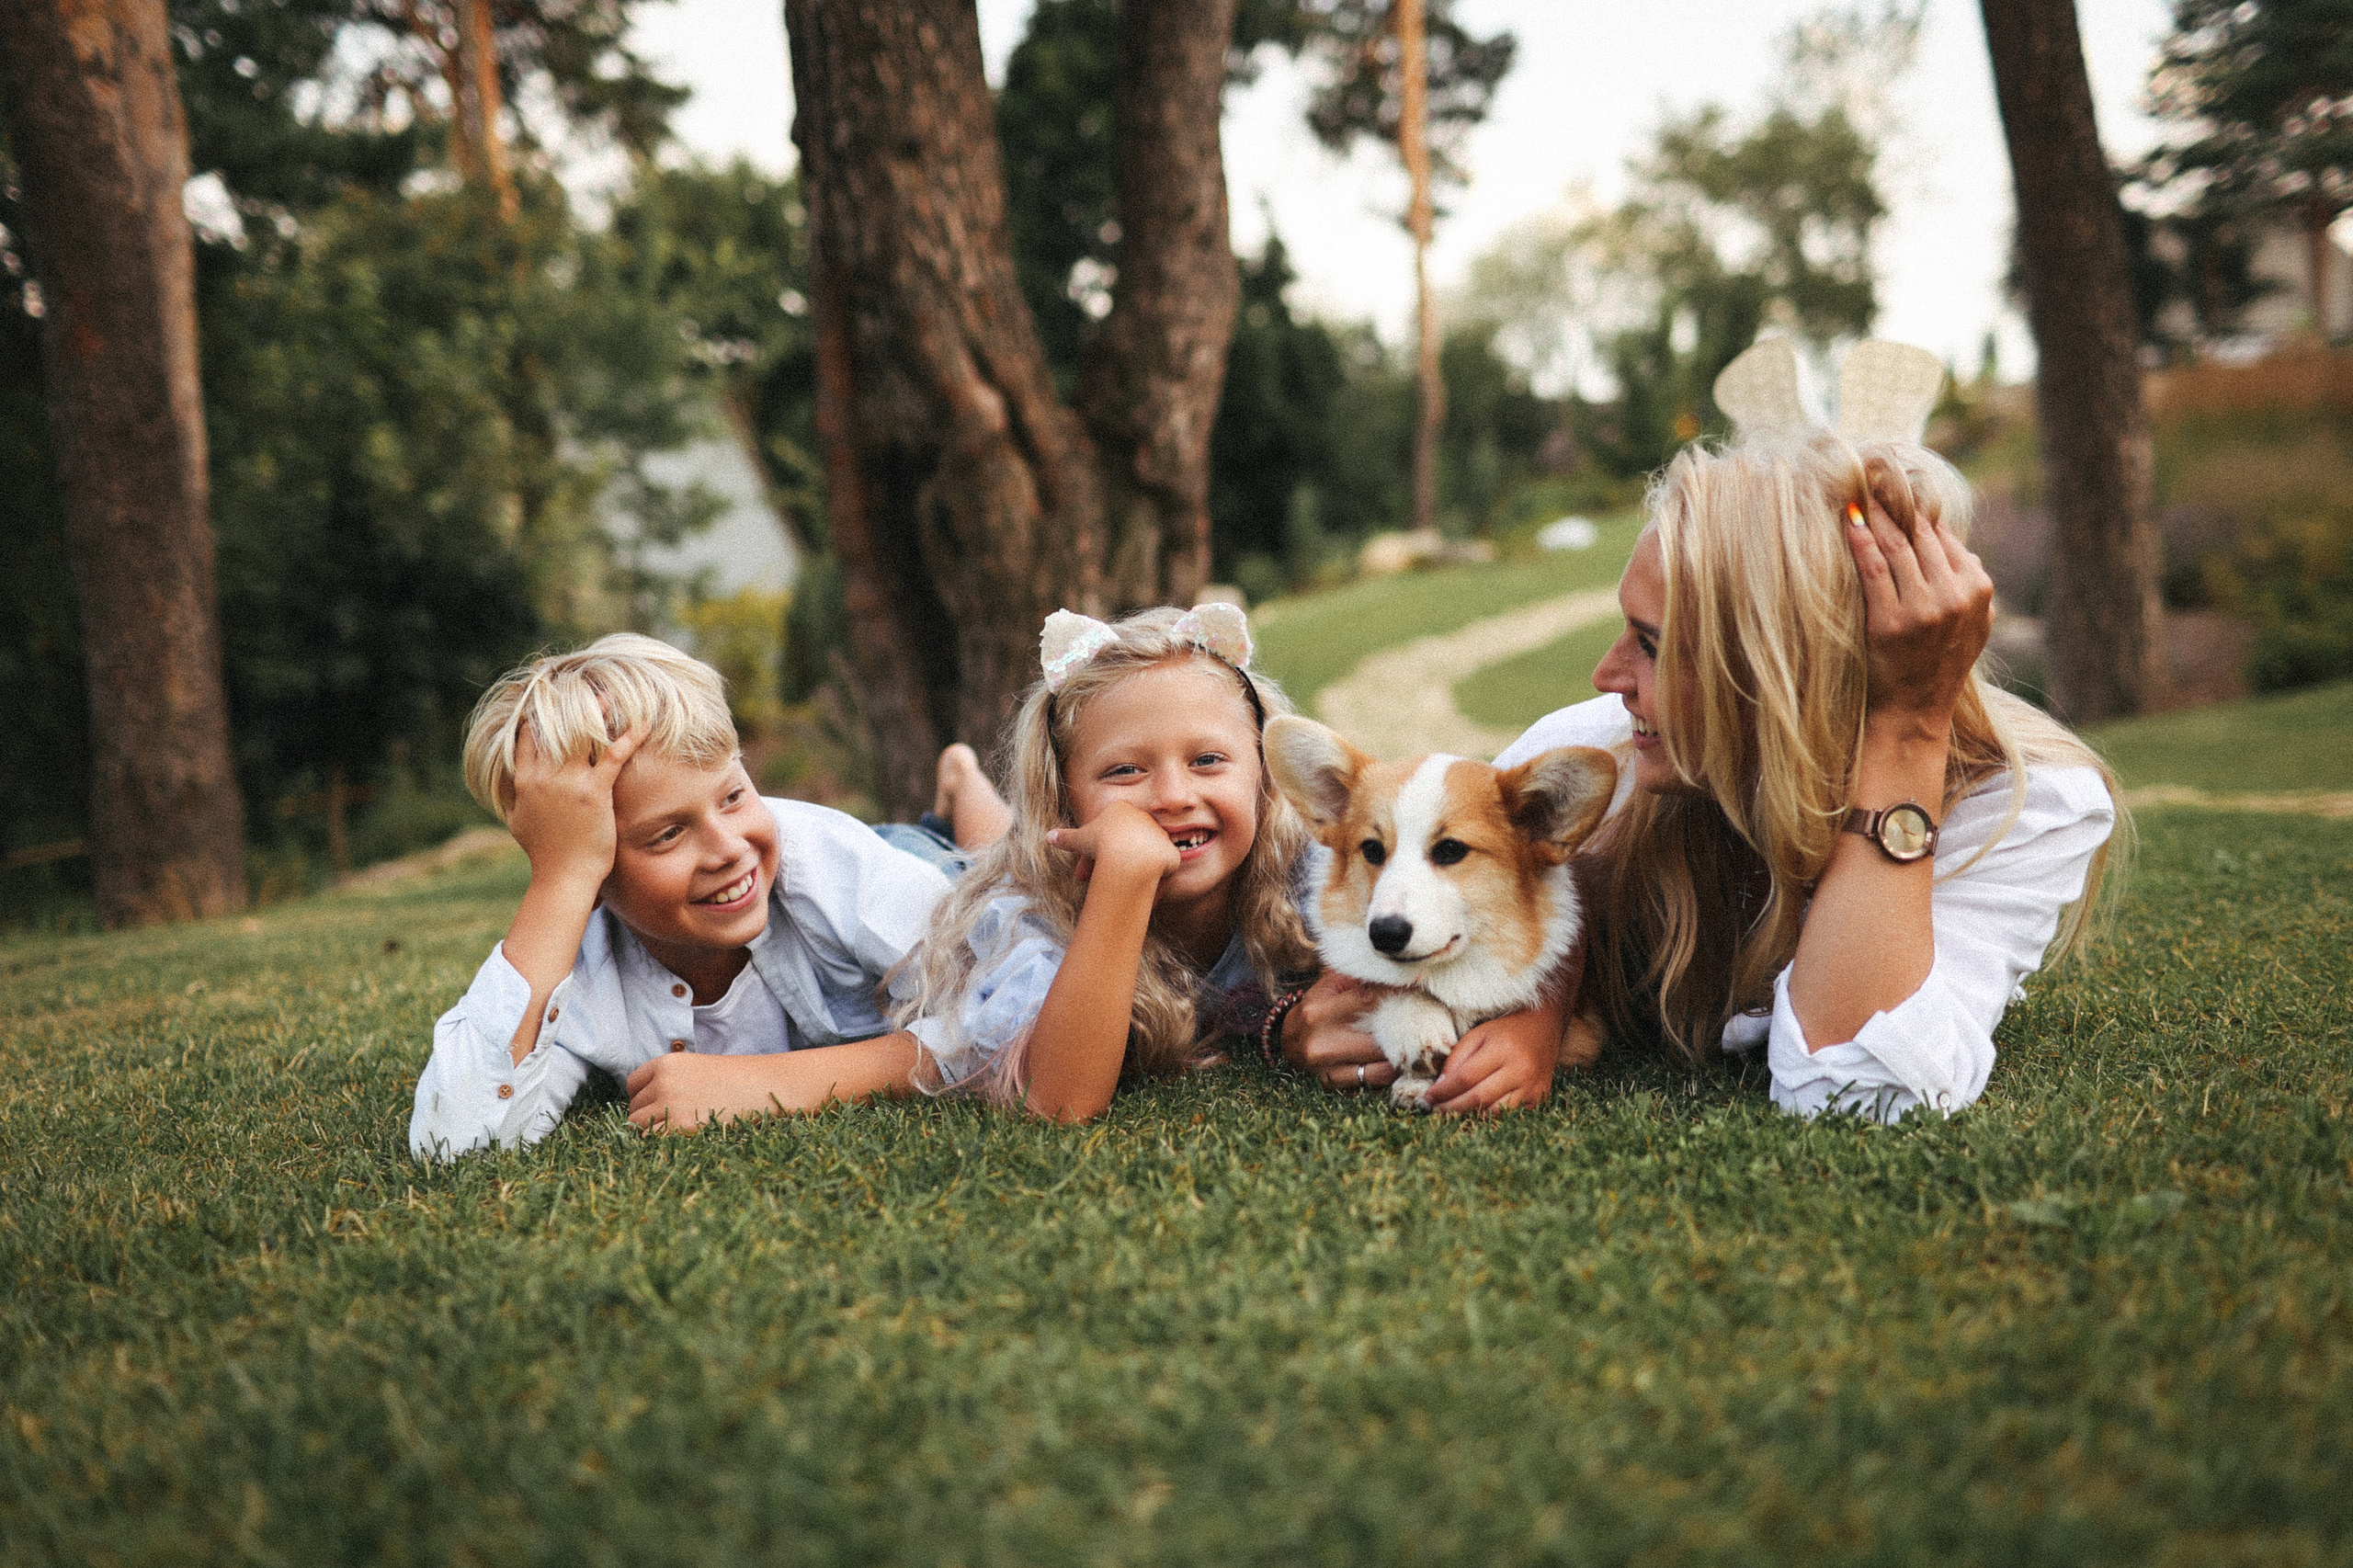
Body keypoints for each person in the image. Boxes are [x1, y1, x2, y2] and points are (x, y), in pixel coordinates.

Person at [1279, 430, 2121, 1122]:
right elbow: (1408, 935)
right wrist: (1299, 1022)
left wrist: (1903, 730)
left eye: (1649, 643)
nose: (1607, 676)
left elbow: (1856, 1094)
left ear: (1778, 672)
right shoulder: (1597, 750)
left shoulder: (2030, 811)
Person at [407, 633, 956, 1159]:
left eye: (734, 795)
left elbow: (1004, 1012)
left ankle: (961, 783)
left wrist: (767, 1084)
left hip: (915, 860)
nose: (728, 848)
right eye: (667, 834)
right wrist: (559, 881)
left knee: (981, 854)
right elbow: (456, 1144)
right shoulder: (575, 962)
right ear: (592, 875)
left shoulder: (836, 867)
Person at [894, 604, 1318, 1122]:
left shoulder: (1311, 870)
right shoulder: (1030, 923)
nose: (1173, 795)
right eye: (1124, 770)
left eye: (1207, 760)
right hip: (927, 860)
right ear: (1064, 800)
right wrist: (1123, 875)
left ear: (1264, 773)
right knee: (970, 860)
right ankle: (963, 779)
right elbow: (1059, 1103)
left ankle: (963, 776)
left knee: (991, 834)